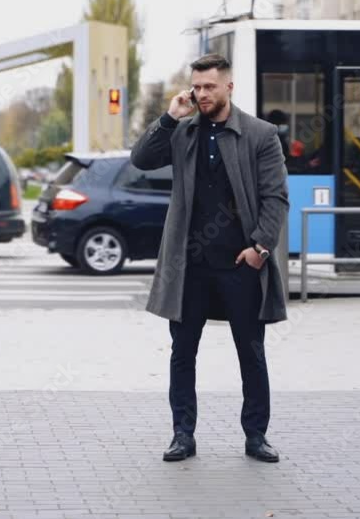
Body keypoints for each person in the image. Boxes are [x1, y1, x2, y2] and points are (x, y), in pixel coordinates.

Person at [131, 54, 289, 463]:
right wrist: (169, 117)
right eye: (197, 87)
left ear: (228, 87)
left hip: (241, 264)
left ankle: (256, 435)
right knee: (183, 354)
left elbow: (275, 197)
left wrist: (260, 248)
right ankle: (182, 435)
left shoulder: (260, 134)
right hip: (190, 268)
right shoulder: (183, 131)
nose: (201, 94)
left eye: (209, 87)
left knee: (251, 354)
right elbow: (141, 159)